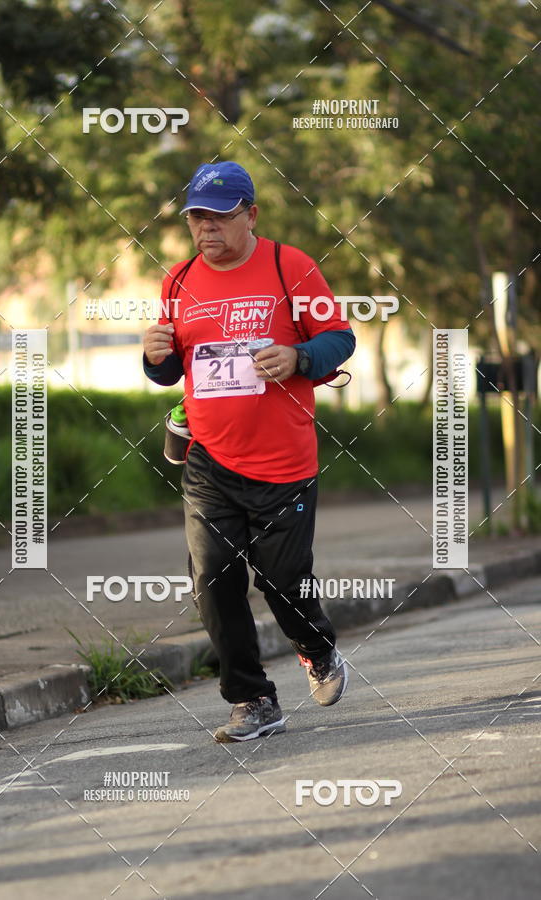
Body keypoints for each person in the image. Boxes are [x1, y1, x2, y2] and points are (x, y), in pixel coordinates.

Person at [143, 161, 356, 743]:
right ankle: (252, 699)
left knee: (283, 581)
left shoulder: (291, 267)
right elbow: (170, 369)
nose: (205, 227)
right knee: (213, 579)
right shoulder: (178, 280)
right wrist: (155, 356)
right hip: (209, 460)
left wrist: (298, 357)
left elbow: (340, 337)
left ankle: (316, 647)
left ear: (251, 215)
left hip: (283, 463)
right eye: (196, 217)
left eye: (219, 216)